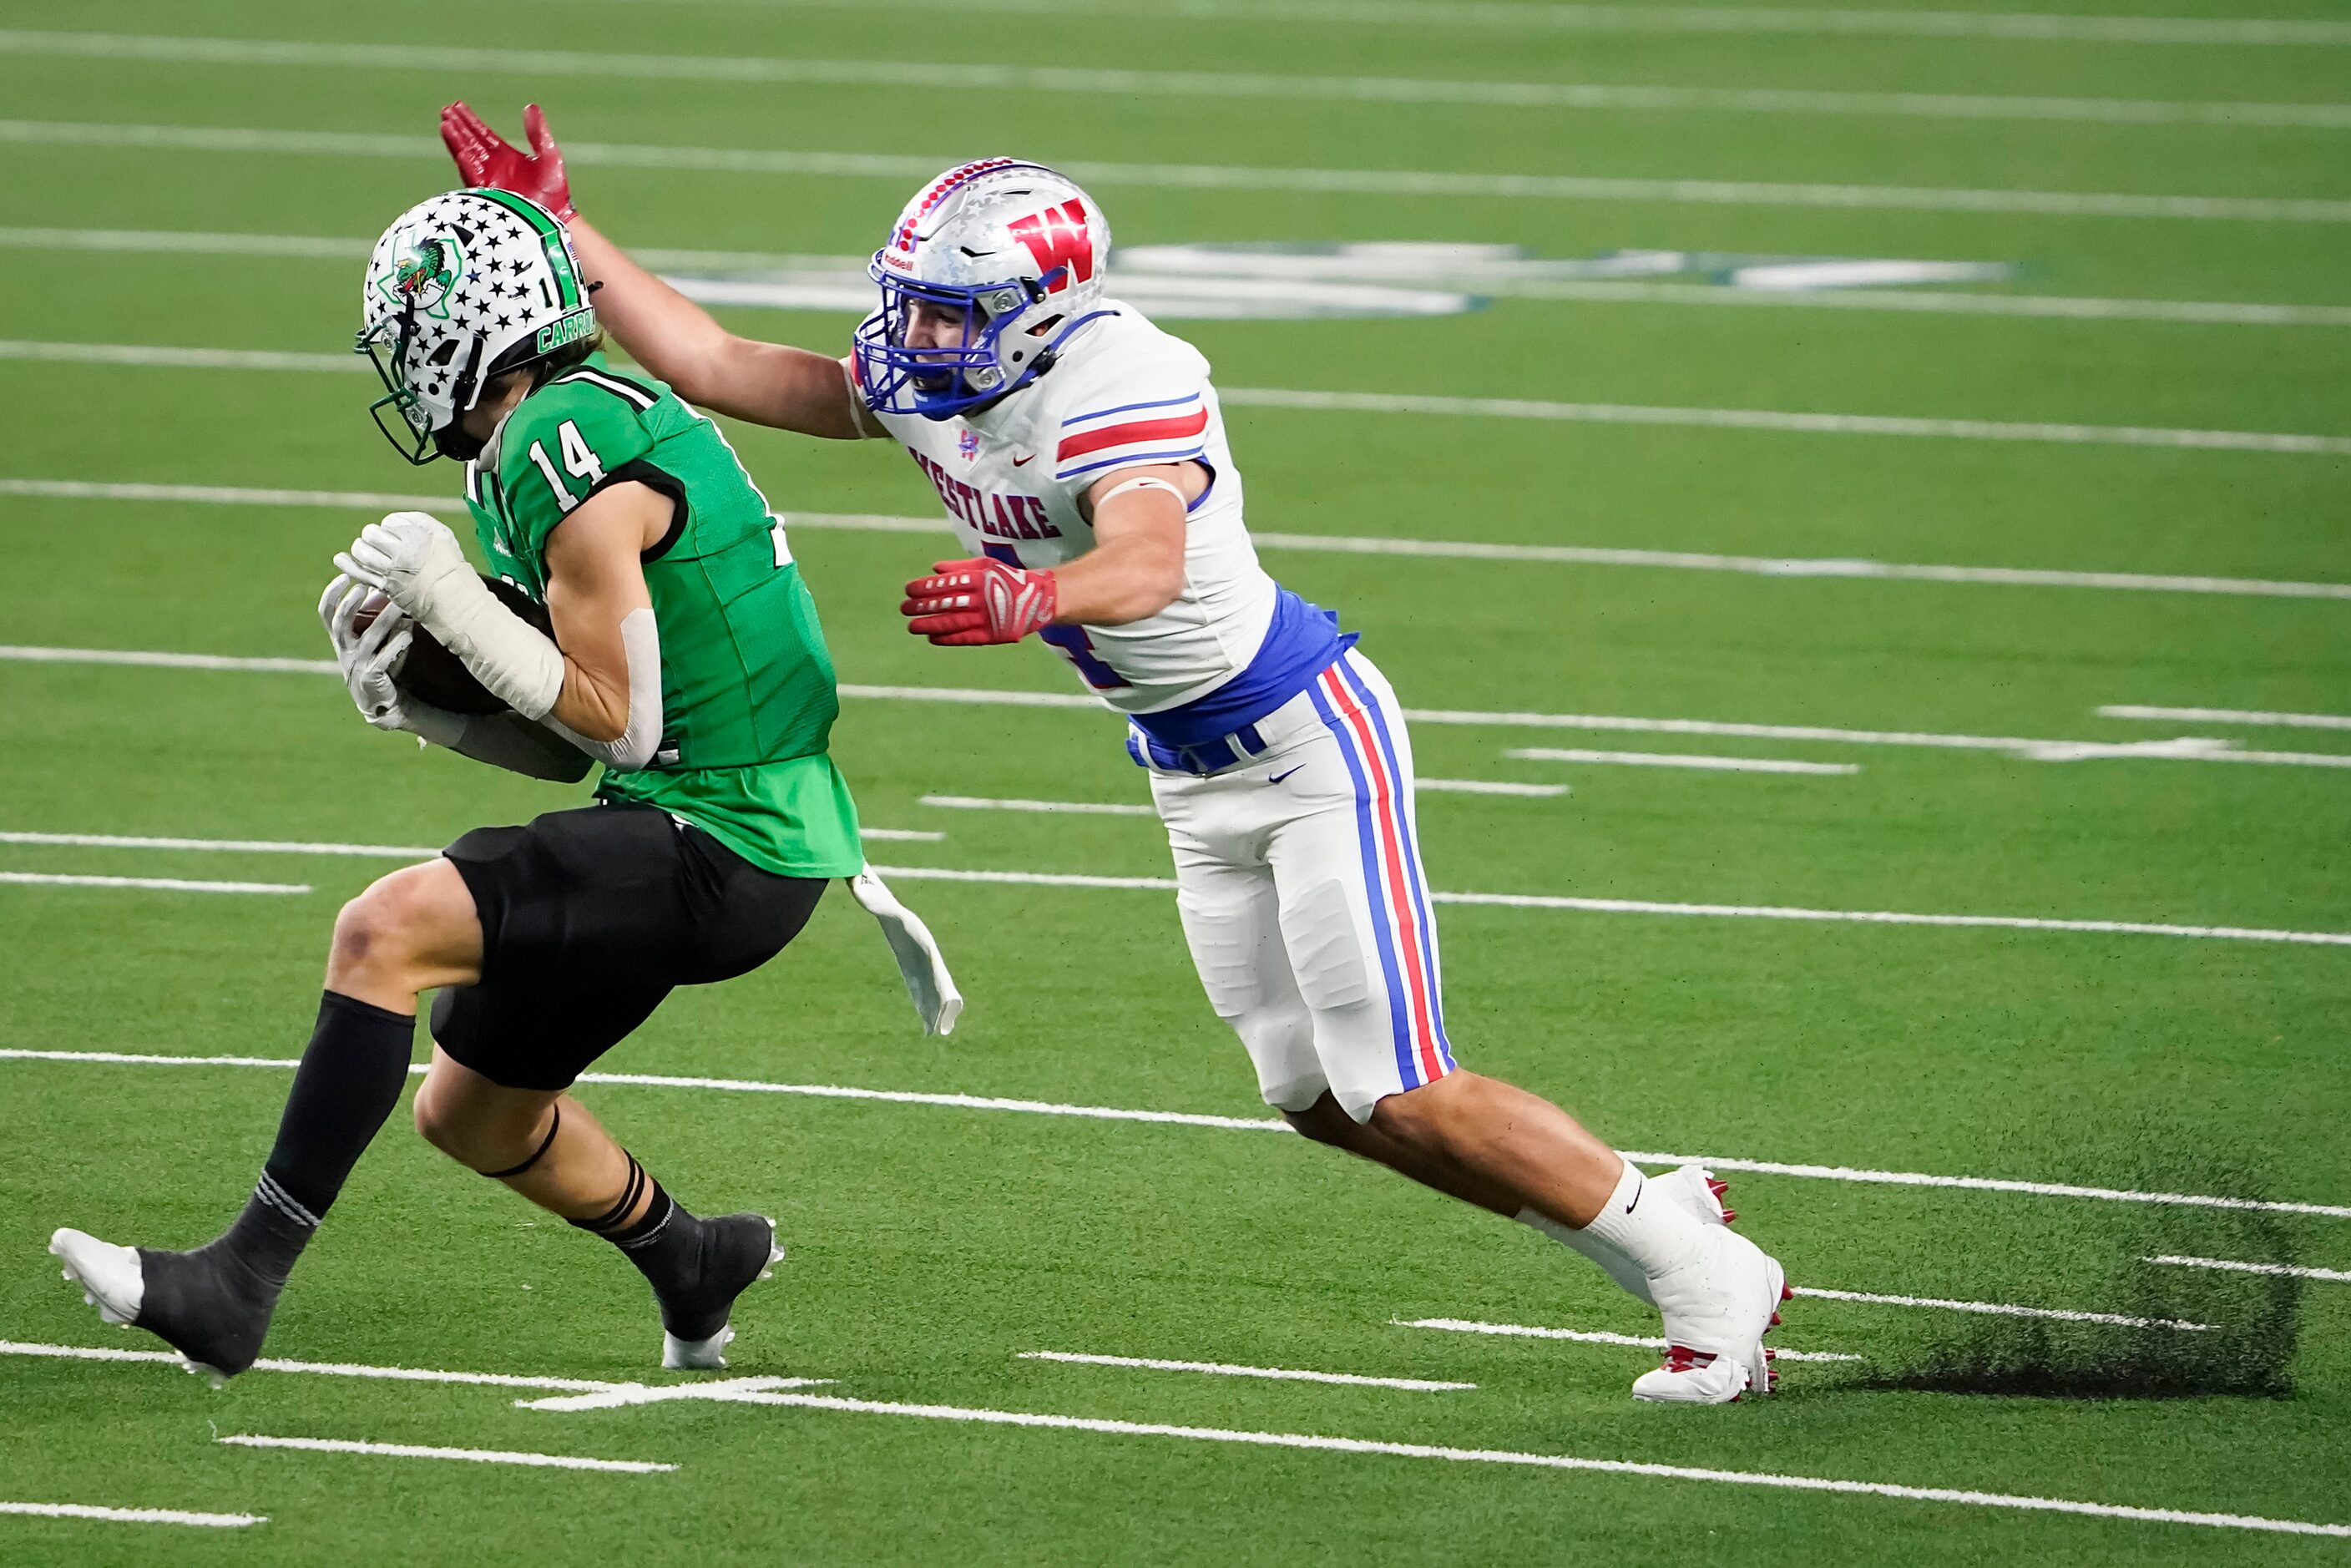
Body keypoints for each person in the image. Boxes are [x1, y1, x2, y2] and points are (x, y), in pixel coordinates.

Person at [441, 109, 1787, 1402]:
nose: (916, 337)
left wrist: (1040, 596)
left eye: (949, 310)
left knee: (1398, 1080)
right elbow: (728, 364)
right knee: (1315, 1097)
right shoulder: (947, 371)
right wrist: (568, 232)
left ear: (1043, 306)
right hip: (1190, 771)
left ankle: (1705, 1278)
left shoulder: (1123, 376)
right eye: (910, 303)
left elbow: (1146, 557)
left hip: (1311, 744)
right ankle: (1639, 1205)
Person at [49, 185, 947, 1381]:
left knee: (384, 930)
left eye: (410, 340)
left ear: (465, 330)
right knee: (472, 1111)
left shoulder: (555, 436)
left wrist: (455, 603)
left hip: (730, 833)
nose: (403, 367)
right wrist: (426, 695)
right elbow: (571, 734)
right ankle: (692, 1259)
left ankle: (235, 1282)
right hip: (712, 824)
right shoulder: (557, 430)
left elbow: (620, 726)